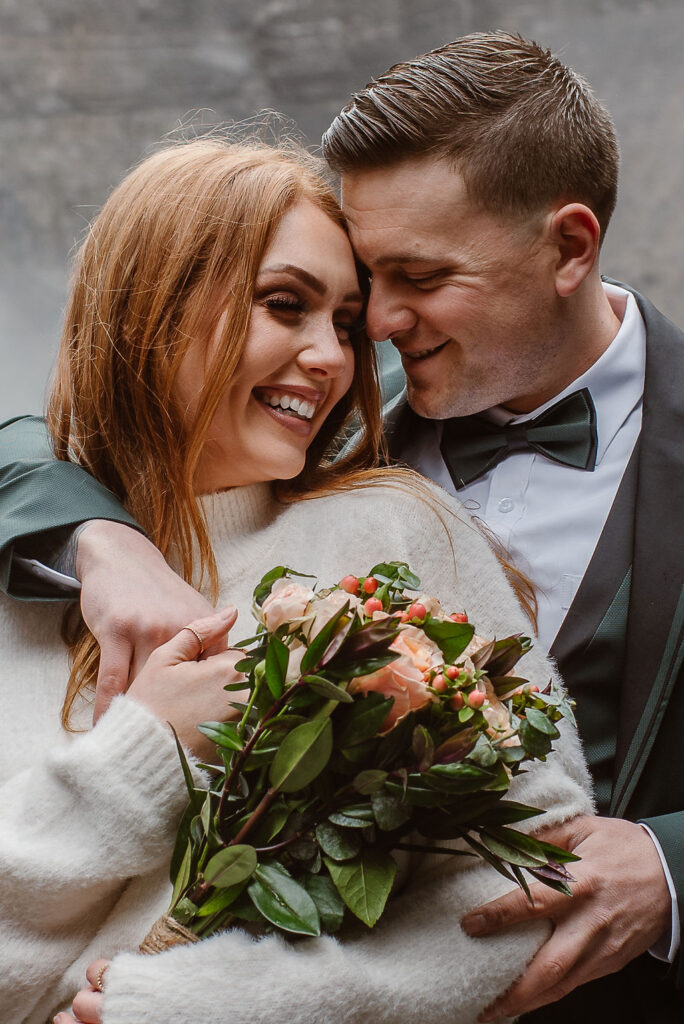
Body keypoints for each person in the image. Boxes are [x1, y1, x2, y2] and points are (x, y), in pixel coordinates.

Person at [0, 31, 680, 1022]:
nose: (368, 336)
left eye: (418, 277)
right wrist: (99, 543)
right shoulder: (290, 431)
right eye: (360, 290)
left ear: (569, 247)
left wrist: (673, 865)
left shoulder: (386, 514)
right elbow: (65, 435)